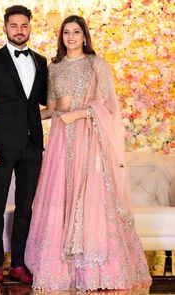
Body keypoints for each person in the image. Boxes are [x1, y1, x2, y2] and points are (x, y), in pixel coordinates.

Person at [24, 15, 152, 291]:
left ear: (85, 36)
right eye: (66, 32)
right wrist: (19, 117)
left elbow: (110, 107)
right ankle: (60, 269)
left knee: (88, 197)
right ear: (62, 37)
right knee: (61, 196)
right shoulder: (54, 68)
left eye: (76, 32)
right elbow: (50, 109)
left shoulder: (96, 64)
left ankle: (92, 271)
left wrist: (80, 113)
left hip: (88, 141)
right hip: (61, 142)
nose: (71, 37)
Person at [0, 5, 47, 285]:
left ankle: (18, 263)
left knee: (26, 208)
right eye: (13, 25)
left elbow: (42, 101)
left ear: (30, 27)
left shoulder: (40, 61)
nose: (19, 30)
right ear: (5, 28)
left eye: (24, 25)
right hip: (1, 146)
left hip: (32, 146)